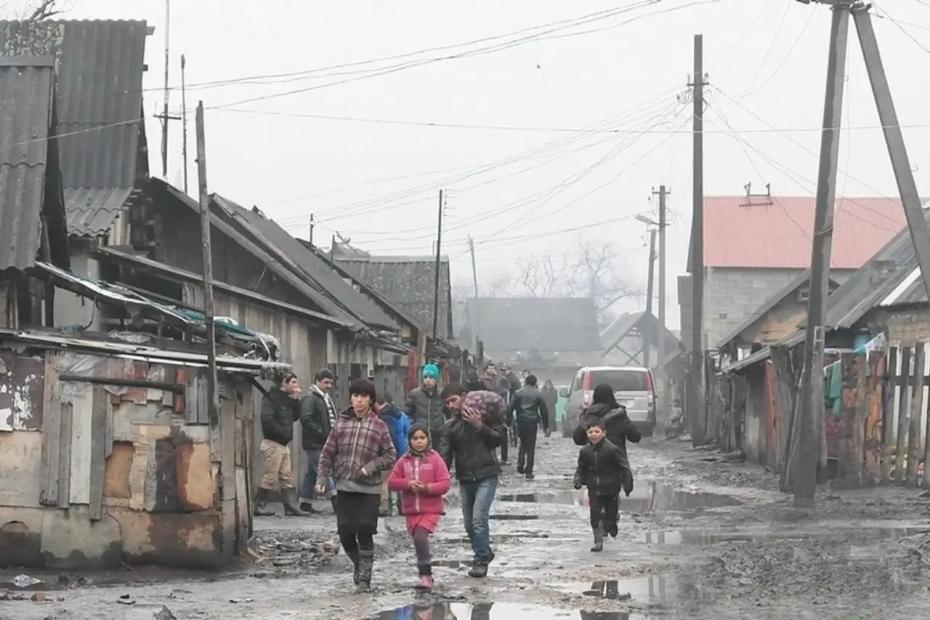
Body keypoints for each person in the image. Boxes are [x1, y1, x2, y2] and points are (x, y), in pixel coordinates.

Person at [316, 379, 397, 592]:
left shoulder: (379, 426)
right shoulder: (341, 423)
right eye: (355, 396)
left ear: (370, 400)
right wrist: (321, 478)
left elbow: (390, 455)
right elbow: (327, 452)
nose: (359, 401)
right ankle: (359, 565)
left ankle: (365, 579)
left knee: (364, 530)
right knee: (345, 533)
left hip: (369, 489)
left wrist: (370, 467)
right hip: (344, 487)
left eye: (363, 397)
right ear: (350, 399)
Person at [439, 383, 506, 578]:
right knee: (469, 525)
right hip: (466, 478)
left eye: (453, 400)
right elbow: (445, 454)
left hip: (487, 475)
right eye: (447, 403)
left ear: (464, 396)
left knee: (478, 519)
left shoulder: (485, 417)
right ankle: (485, 551)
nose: (451, 405)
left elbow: (498, 440)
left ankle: (480, 561)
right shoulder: (450, 427)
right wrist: (442, 477)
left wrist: (480, 426)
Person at [387, 423, 452, 591]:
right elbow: (392, 482)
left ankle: (425, 575)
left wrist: (426, 488)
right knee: (418, 541)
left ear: (428, 439)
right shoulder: (404, 461)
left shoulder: (435, 458)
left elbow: (445, 484)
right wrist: (408, 484)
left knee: (420, 538)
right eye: (415, 438)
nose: (419, 442)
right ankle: (425, 574)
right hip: (411, 511)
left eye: (422, 438)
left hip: (430, 509)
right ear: (409, 441)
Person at [573, 420, 631, 552]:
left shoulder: (612, 449)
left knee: (611, 513)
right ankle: (598, 541)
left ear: (604, 433)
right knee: (595, 515)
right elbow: (581, 468)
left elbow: (624, 467)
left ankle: (612, 523)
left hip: (611, 488)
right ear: (587, 434)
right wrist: (578, 480)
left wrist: (627, 483)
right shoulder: (585, 451)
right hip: (593, 488)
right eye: (591, 432)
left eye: (597, 432)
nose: (594, 435)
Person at [256, 371, 307, 517]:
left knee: (286, 476)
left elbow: (295, 417)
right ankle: (259, 505)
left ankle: (290, 506)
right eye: (293, 382)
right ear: (284, 383)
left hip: (283, 444)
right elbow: (267, 420)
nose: (297, 386)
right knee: (270, 476)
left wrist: (296, 400)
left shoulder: (286, 399)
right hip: (272, 443)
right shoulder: (271, 398)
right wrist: (283, 433)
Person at [572, 384, 642, 487]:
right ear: (612, 396)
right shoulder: (620, 415)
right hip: (615, 462)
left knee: (594, 496)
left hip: (593, 461)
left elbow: (577, 439)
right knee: (613, 497)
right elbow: (635, 437)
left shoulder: (589, 415)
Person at [299, 369, 337, 514]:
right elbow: (306, 418)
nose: (329, 386)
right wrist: (321, 433)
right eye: (326, 382)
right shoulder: (311, 398)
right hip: (315, 442)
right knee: (323, 471)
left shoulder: (325, 398)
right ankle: (336, 500)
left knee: (312, 472)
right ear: (317, 381)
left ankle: (304, 501)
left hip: (323, 441)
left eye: (330, 383)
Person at [507, 375, 550, 480]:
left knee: (523, 443)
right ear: (535, 383)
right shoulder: (538, 394)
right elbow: (544, 410)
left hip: (520, 422)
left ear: (525, 382)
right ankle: (529, 471)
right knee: (531, 447)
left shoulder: (517, 393)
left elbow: (509, 408)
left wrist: (508, 421)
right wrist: (546, 426)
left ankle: (520, 465)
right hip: (532, 423)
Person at [377, 393, 411, 516]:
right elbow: (409, 432)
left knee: (385, 480)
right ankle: (403, 507)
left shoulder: (381, 417)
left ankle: (385, 507)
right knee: (401, 479)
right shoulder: (402, 415)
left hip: (388, 452)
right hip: (402, 451)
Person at [406, 364, 445, 442]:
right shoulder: (415, 394)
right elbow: (408, 412)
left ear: (436, 379)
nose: (428, 380)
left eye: (431, 377)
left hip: (438, 435)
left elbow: (448, 413)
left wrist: (443, 427)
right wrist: (413, 426)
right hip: (420, 435)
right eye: (425, 377)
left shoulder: (442, 394)